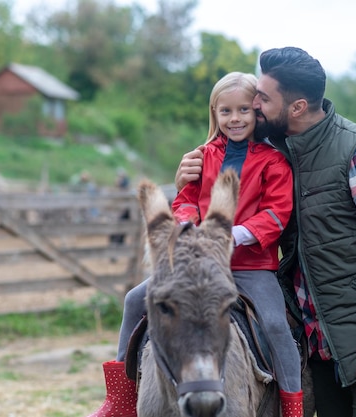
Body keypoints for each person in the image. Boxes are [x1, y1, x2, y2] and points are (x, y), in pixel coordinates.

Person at [175, 47, 356, 417]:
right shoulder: (282, 150)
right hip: (319, 342)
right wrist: (184, 181)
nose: (254, 104)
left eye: (262, 98)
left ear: (296, 107)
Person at [88, 72, 303, 417]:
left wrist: (229, 236)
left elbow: (277, 214)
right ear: (214, 114)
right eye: (226, 111)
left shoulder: (273, 161)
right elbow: (185, 200)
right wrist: (188, 226)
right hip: (195, 265)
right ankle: (121, 399)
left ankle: (293, 405)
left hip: (250, 266)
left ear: (256, 113)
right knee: (133, 300)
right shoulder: (201, 156)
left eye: (244, 110)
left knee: (276, 325)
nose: (235, 119)